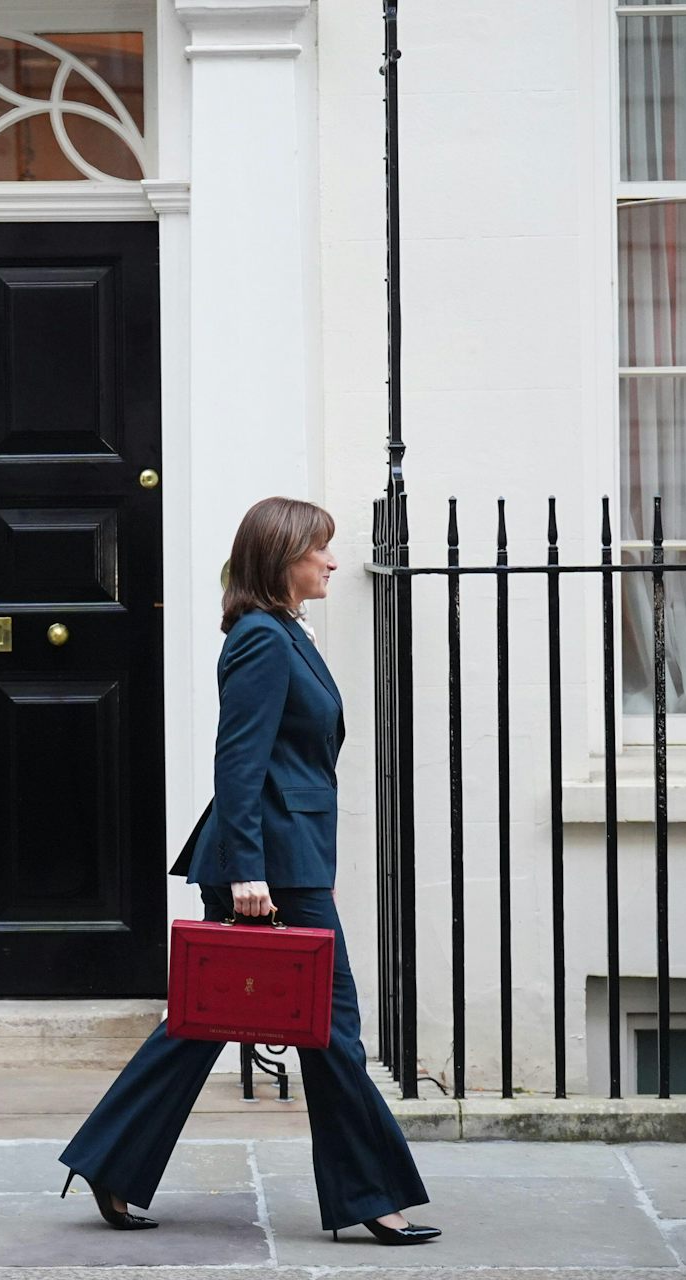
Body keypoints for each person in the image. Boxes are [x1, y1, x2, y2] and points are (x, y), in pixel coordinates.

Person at [58, 496, 439, 1245]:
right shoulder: (263, 639)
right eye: (318, 550)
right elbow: (239, 762)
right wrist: (248, 873)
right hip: (266, 866)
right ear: (280, 560)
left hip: (287, 859)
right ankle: (372, 1196)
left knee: (206, 1019)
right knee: (332, 1031)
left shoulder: (284, 633)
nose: (332, 561)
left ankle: (111, 1159)